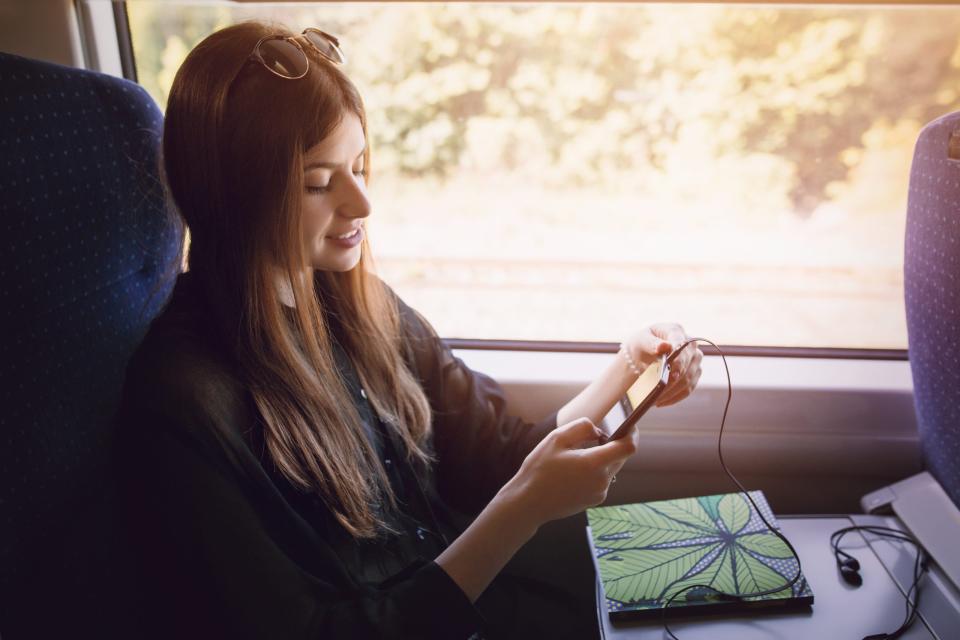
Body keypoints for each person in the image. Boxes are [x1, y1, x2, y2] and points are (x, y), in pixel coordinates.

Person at [113, 20, 703, 640]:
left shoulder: (355, 302)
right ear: (233, 194)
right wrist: (523, 507)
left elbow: (496, 454)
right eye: (318, 182)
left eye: (361, 166)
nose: (361, 203)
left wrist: (628, 372)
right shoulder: (185, 399)